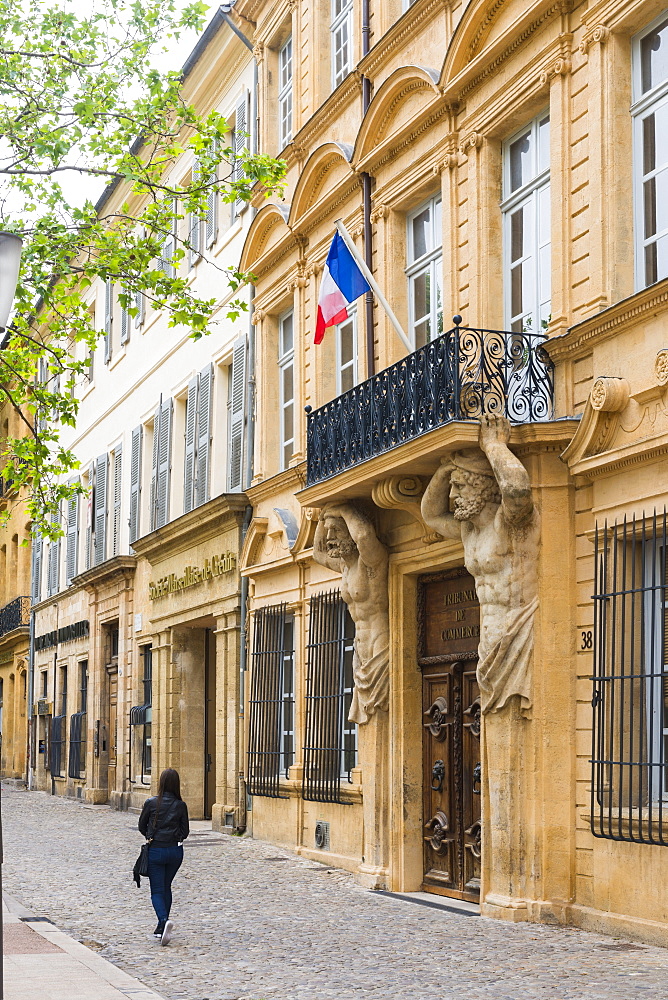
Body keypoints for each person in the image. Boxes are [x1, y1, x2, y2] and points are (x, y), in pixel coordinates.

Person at [138, 767, 189, 945]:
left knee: (157, 890)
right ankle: (162, 929)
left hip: (157, 850)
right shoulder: (181, 805)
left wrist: (151, 836)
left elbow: (141, 826)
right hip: (175, 852)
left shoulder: (151, 803)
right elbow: (185, 831)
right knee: (166, 886)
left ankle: (163, 920)